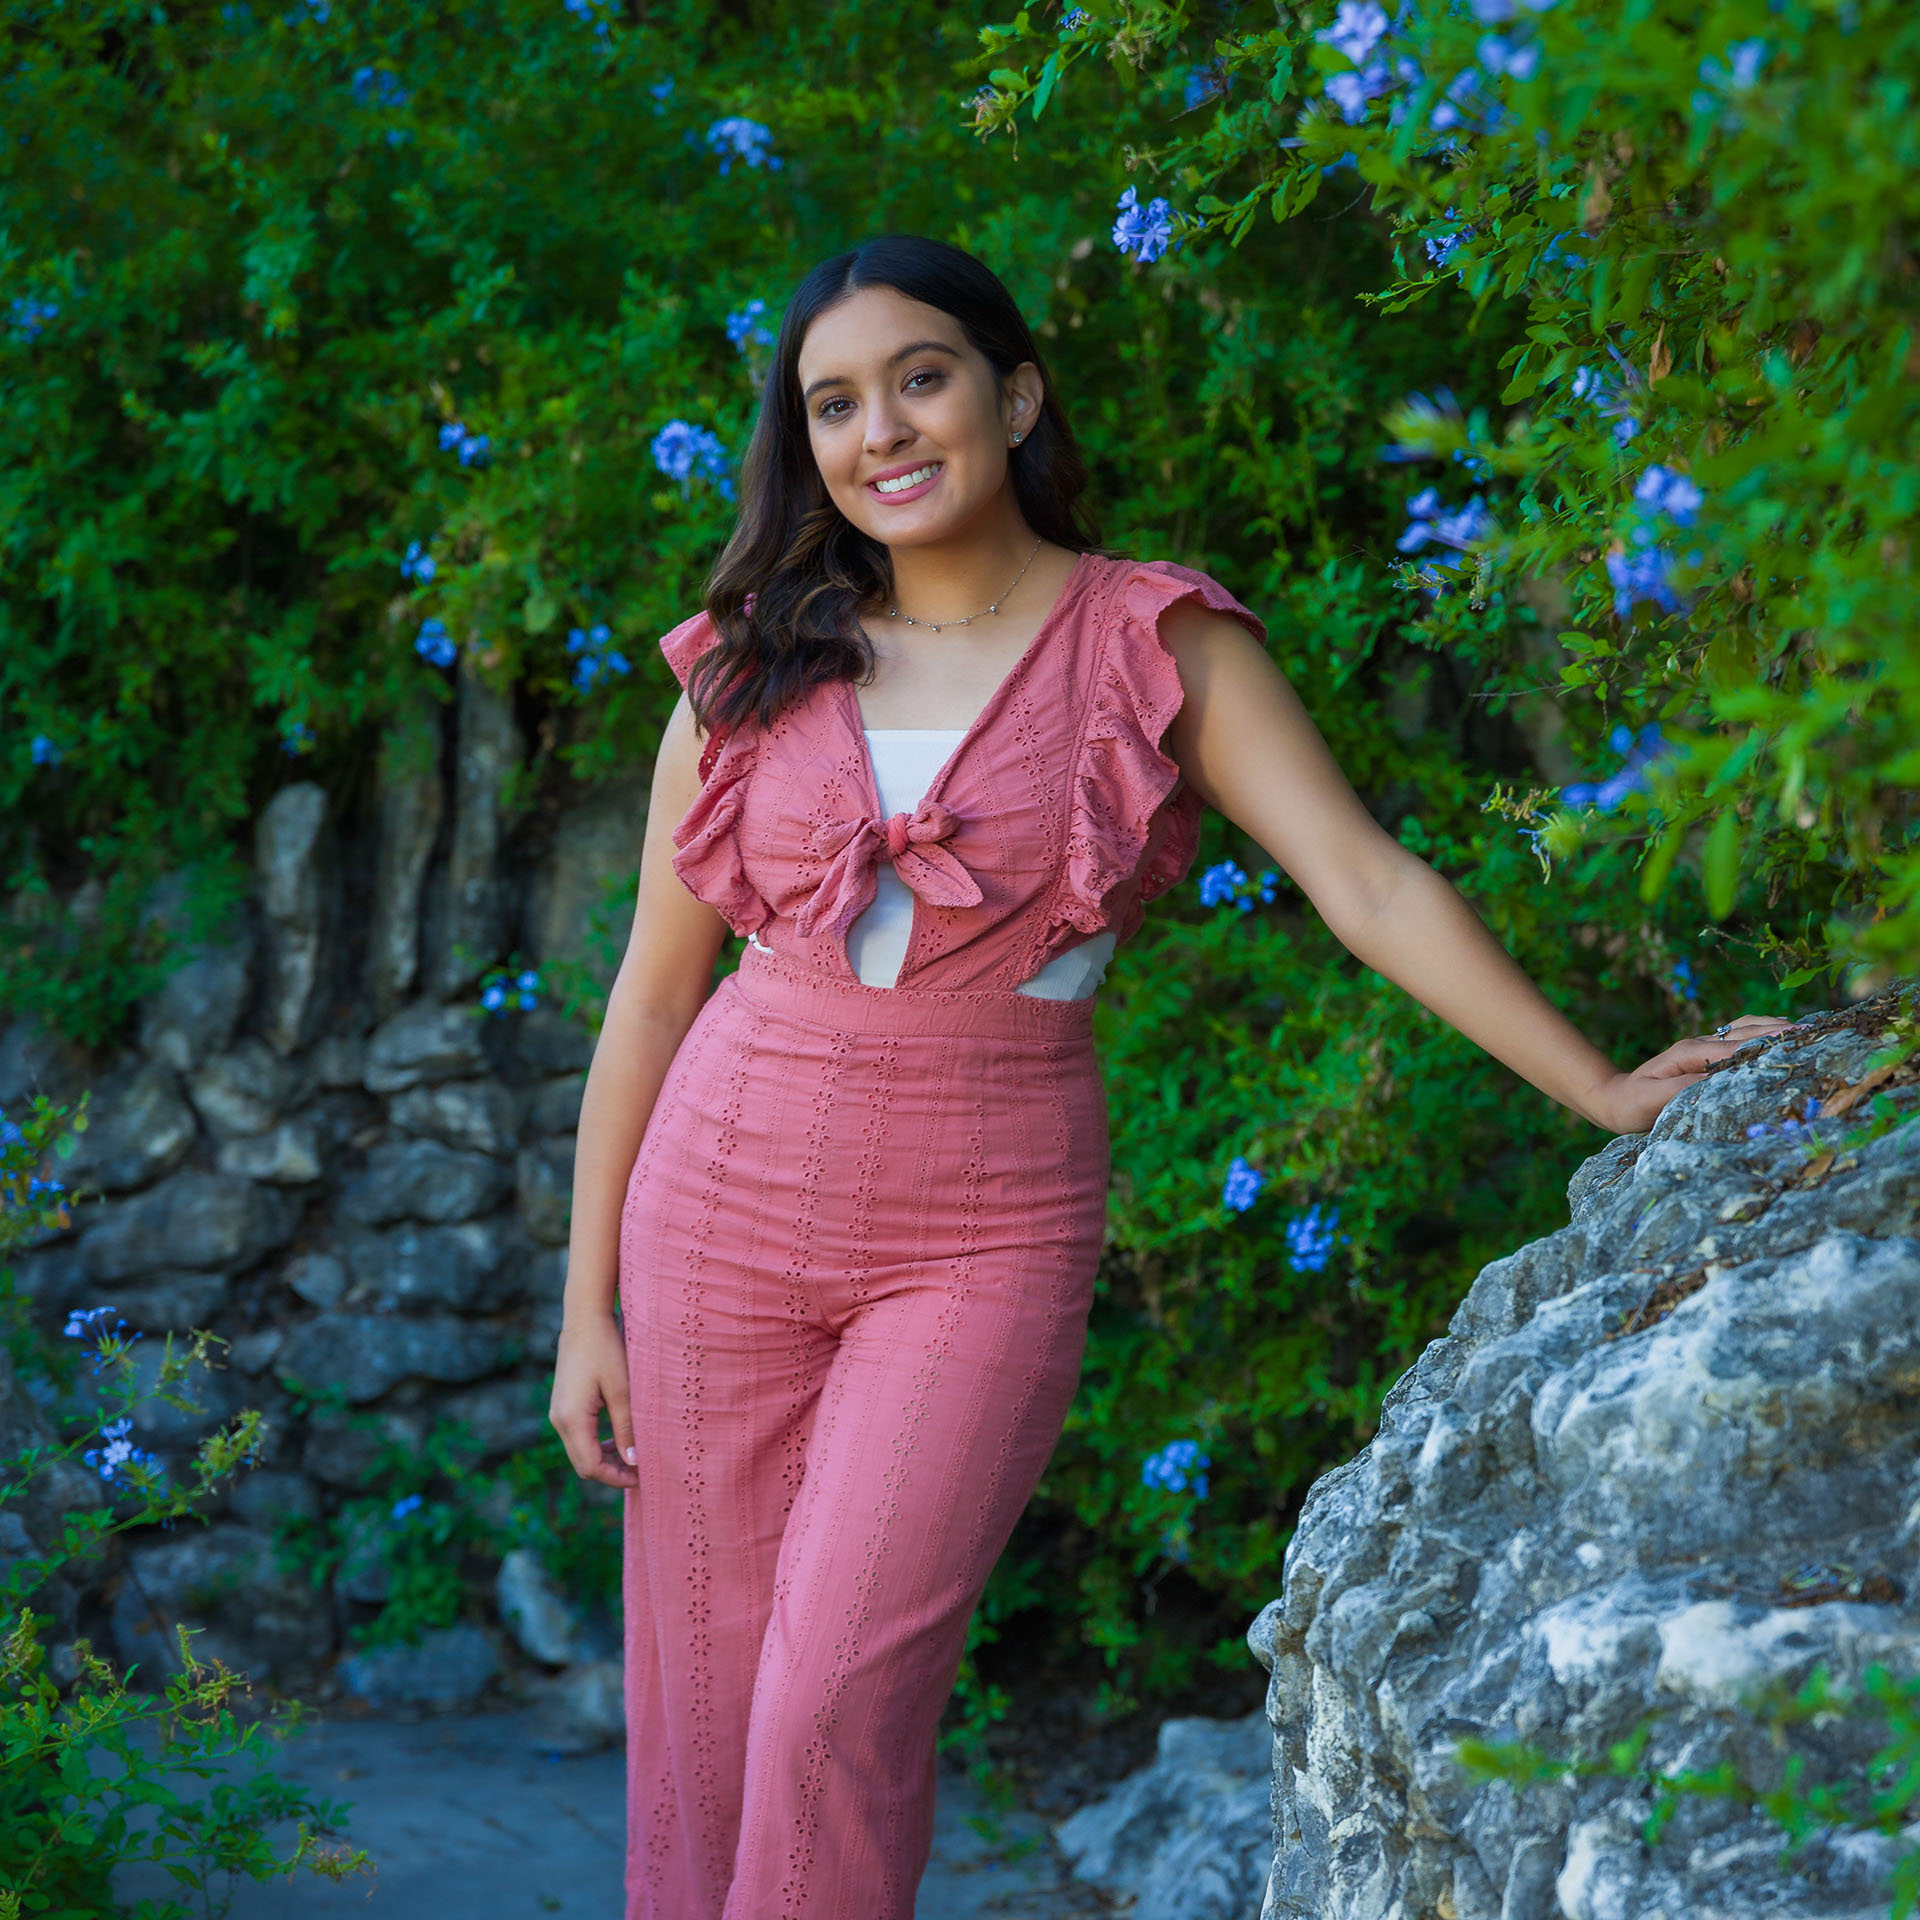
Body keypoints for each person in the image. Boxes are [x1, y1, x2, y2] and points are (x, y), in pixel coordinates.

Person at [547, 233, 1794, 1920]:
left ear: (1016, 391)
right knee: (701, 1713)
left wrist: (1599, 1086)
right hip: (717, 1202)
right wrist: (586, 1305)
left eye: (922, 376)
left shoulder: (1158, 641)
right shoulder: (747, 663)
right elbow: (648, 997)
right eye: (834, 403)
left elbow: (1366, 883)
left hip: (980, 1229)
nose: (882, 431)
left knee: (836, 1698)